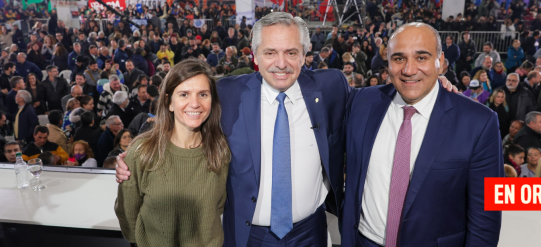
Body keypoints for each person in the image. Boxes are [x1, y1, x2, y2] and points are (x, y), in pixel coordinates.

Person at [116, 13, 383, 247]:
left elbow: (374, 106)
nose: (281, 63)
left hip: (310, 232)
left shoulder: (330, 87)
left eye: (291, 52)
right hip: (246, 235)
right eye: (270, 52)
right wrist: (134, 156)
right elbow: (187, 115)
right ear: (255, 55)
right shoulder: (228, 93)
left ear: (305, 52)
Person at [342, 23, 501, 247]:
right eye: (398, 58)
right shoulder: (361, 102)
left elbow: (485, 217)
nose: (408, 69)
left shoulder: (478, 122)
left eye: (421, 58)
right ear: (387, 63)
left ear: (441, 62)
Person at [115, 60, 230, 246]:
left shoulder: (221, 151)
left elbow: (219, 207)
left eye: (203, 94)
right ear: (169, 102)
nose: (195, 103)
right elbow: (128, 215)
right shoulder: (142, 152)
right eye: (184, 94)